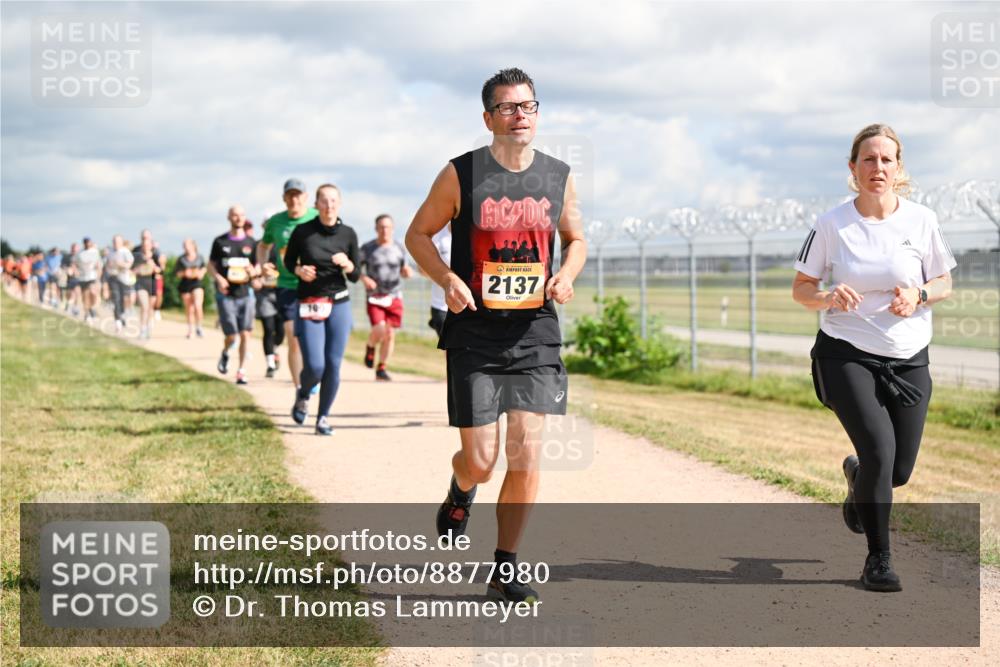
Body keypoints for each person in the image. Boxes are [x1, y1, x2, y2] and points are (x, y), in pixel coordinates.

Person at [405, 68, 586, 603]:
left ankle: (506, 565)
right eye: (507, 108)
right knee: (481, 459)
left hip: (534, 331)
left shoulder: (558, 176)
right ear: (488, 118)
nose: (519, 115)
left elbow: (575, 239)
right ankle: (462, 488)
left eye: (528, 106)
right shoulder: (461, 174)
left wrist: (567, 275)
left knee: (526, 453)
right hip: (475, 335)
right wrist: (447, 277)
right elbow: (419, 235)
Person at [792, 124, 956, 593]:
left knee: (897, 471)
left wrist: (920, 293)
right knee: (881, 453)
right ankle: (878, 561)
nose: (877, 168)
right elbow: (801, 289)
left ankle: (857, 478)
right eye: (868, 159)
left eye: (886, 159)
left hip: (908, 358)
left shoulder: (921, 221)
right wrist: (827, 297)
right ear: (852, 168)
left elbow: (944, 283)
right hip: (845, 354)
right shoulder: (832, 224)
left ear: (898, 167)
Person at [284, 184, 360, 435]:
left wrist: (348, 264)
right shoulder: (303, 232)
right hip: (309, 302)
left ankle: (323, 418)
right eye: (324, 200)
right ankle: (303, 393)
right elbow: (287, 261)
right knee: (315, 366)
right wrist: (298, 270)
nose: (329, 205)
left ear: (340, 203)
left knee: (333, 364)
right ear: (316, 204)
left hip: (339, 301)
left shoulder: (348, 234)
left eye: (333, 200)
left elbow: (356, 275)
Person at [258, 179, 319, 393]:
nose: (294, 199)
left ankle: (314, 371)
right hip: (287, 285)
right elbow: (263, 246)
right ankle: (300, 387)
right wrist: (263, 264)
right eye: (290, 195)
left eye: (298, 195)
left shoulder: (316, 217)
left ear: (306, 197)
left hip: (315, 286)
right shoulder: (276, 222)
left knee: (313, 337)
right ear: (284, 198)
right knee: (293, 336)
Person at [209, 205, 259, 385]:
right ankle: (226, 352)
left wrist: (254, 272)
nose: (239, 218)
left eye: (242, 215)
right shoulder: (220, 242)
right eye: (235, 215)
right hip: (226, 295)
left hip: (246, 294)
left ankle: (241, 371)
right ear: (229, 217)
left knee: (246, 333)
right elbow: (211, 265)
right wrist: (218, 279)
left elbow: (257, 267)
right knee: (232, 336)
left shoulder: (252, 243)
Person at [360, 214, 412, 380]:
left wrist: (407, 273)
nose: (384, 230)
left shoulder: (399, 248)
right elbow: (355, 269)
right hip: (375, 296)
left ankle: (381, 368)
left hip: (394, 295)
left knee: (390, 334)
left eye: (388, 227)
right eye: (381, 227)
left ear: (393, 228)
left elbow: (405, 269)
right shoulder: (367, 248)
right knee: (379, 329)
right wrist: (364, 278)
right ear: (376, 229)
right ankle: (370, 346)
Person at [254, 231, 284, 378]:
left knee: (281, 331)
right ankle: (270, 364)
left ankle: (274, 348)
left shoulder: (284, 245)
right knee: (268, 328)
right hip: (265, 294)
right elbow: (251, 267)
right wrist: (255, 278)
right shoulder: (258, 246)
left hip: (282, 292)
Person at [422, 223, 452, 338]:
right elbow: (423, 269)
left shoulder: (472, 234)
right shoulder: (437, 236)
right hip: (441, 305)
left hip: (466, 304)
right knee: (450, 346)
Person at [132, 235, 162, 339]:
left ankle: (148, 326)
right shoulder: (137, 256)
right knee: (144, 306)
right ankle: (142, 329)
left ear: (150, 246)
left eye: (148, 245)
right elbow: (132, 270)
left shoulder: (155, 256)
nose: (145, 247)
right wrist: (138, 269)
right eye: (144, 245)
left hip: (152, 282)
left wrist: (152, 264)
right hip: (141, 283)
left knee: (150, 308)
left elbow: (160, 270)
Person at [176, 238, 207, 338]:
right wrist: (185, 273)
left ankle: (199, 326)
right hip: (185, 284)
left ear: (193, 245)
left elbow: (204, 268)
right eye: (184, 245)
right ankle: (190, 330)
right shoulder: (181, 259)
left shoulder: (200, 257)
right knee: (189, 308)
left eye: (187, 245)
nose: (186, 247)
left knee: (198, 305)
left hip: (197, 283)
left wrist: (201, 273)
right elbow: (177, 273)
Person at [105, 236, 134, 332]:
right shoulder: (110, 253)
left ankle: (122, 315)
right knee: (116, 298)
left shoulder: (125, 252)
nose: (115, 244)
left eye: (117, 242)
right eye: (114, 242)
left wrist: (120, 264)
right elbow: (107, 265)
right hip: (114, 278)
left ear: (121, 242)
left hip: (125, 279)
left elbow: (130, 264)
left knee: (125, 299)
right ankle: (117, 322)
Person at [74, 237, 102, 321]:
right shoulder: (80, 253)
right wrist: (76, 271)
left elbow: (98, 264)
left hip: (92, 276)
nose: (87, 244)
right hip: (83, 277)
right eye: (86, 242)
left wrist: (98, 276)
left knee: (93, 292)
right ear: (84, 243)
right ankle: (87, 313)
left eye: (89, 242)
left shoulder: (95, 252)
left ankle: (92, 308)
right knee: (85, 296)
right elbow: (75, 264)